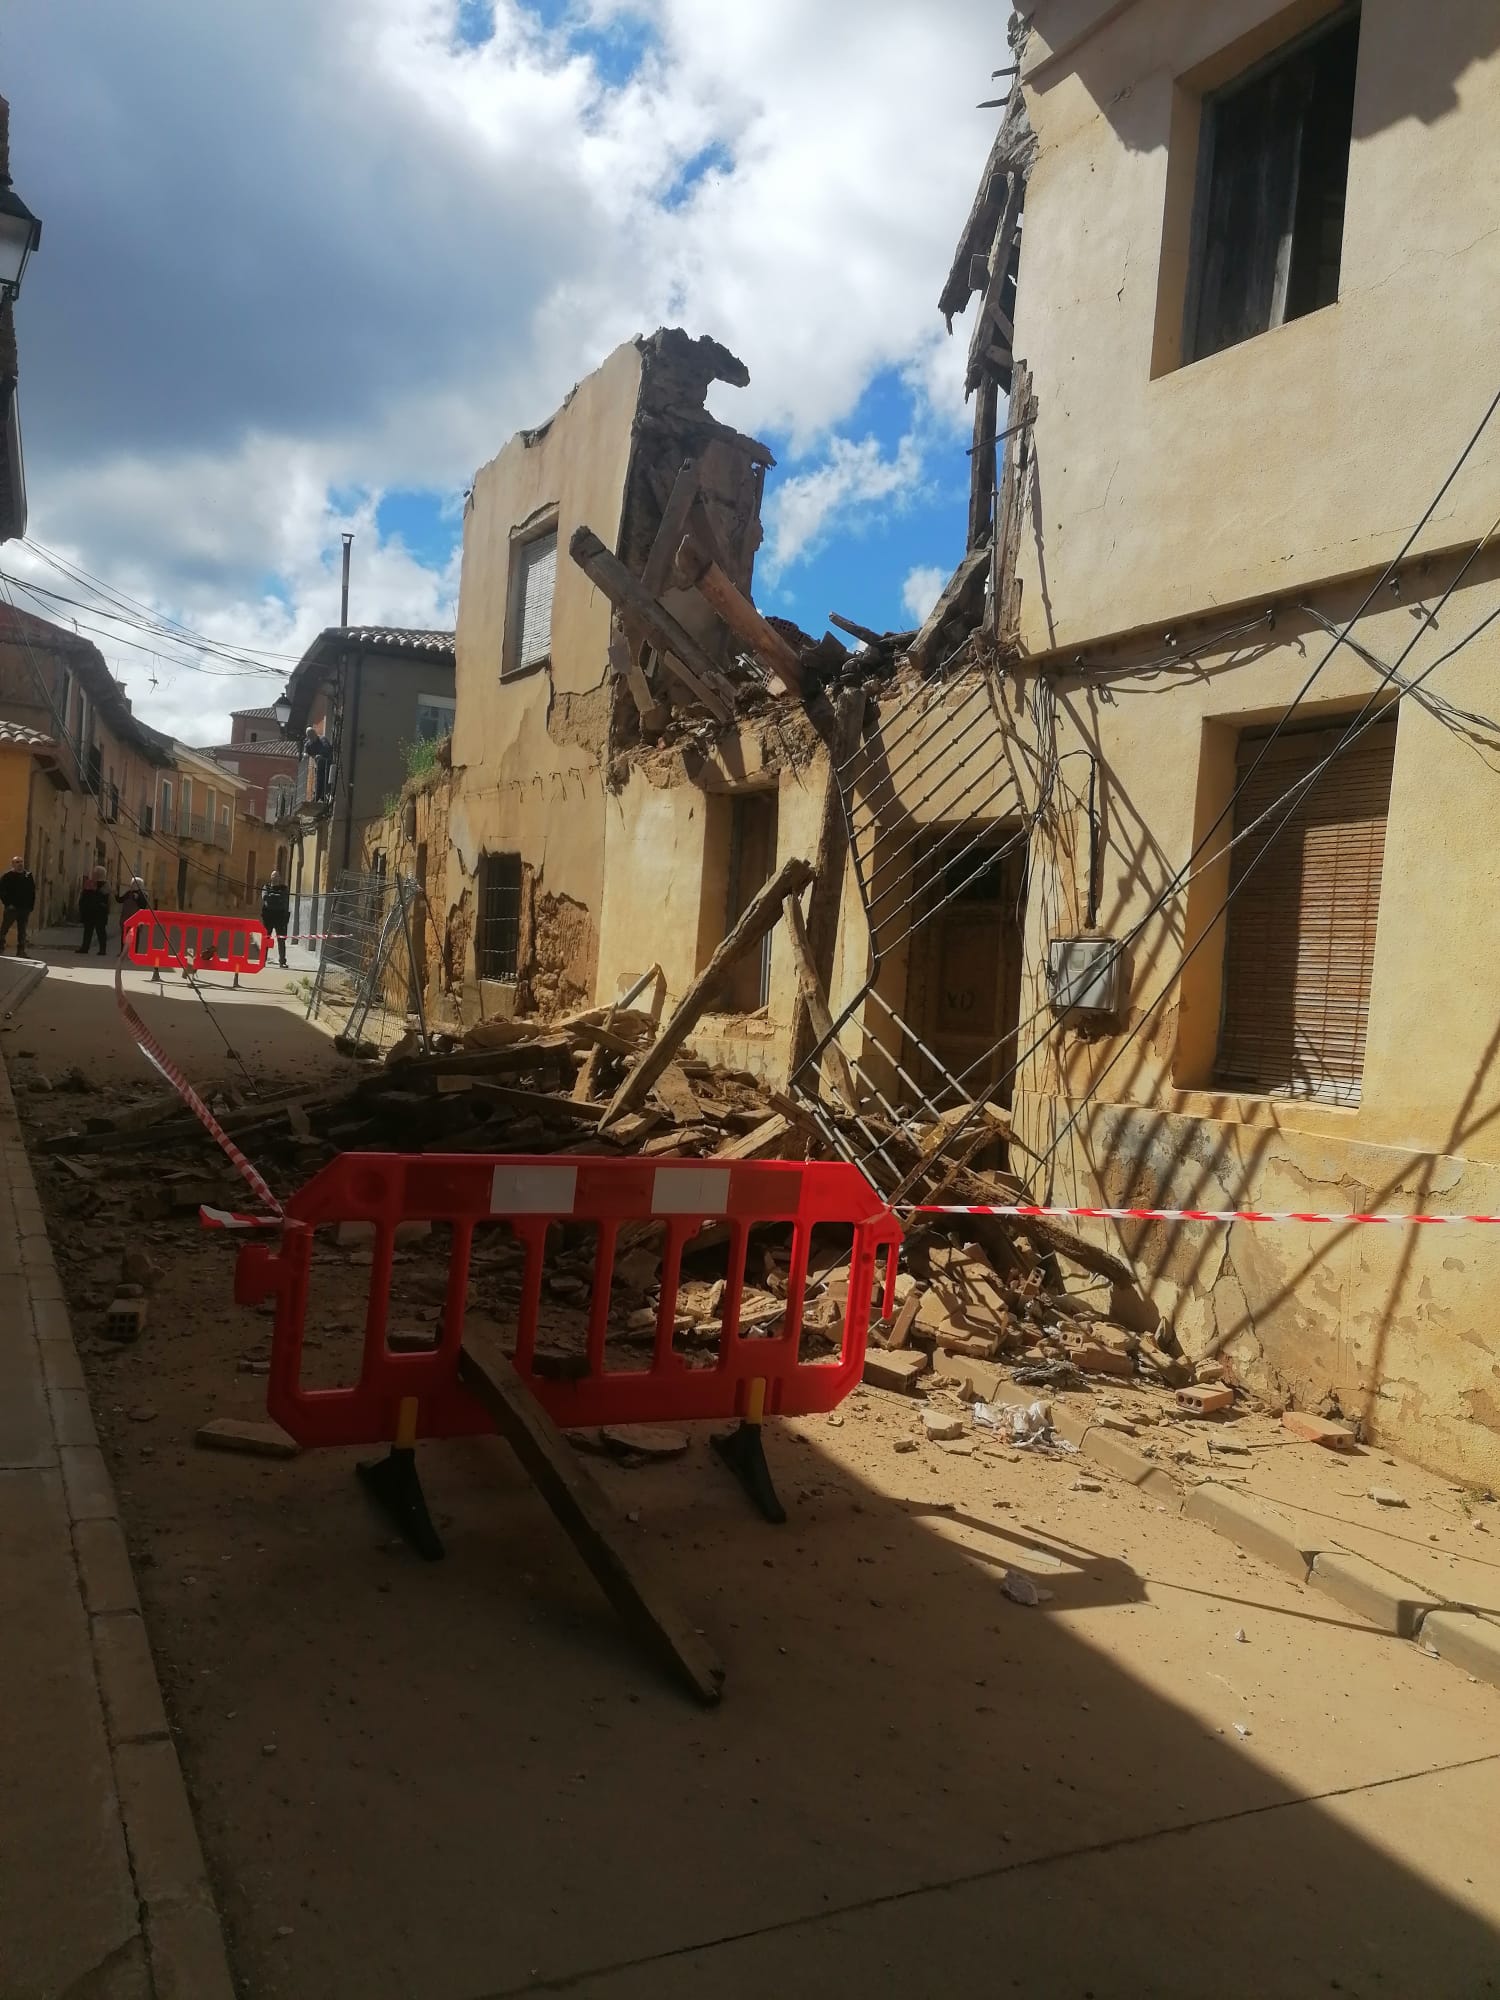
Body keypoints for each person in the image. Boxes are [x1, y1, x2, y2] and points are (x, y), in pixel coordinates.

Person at [0, 853, 36, 955]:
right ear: (13, 864)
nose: (20, 864)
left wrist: (31, 906)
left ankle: (21, 951)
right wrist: (8, 903)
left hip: (25, 908)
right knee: (4, 929)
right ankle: (0, 947)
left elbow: (32, 891)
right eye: (17, 862)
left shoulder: (28, 876)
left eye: (21, 862)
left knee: (22, 931)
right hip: (12, 908)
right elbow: (2, 891)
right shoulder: (7, 876)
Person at [261, 869, 291, 968]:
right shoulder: (266, 887)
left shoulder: (284, 888)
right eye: (274, 876)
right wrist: (277, 897)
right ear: (271, 877)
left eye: (277, 876)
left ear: (280, 878)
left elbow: (283, 900)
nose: (275, 878)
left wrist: (272, 897)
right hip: (268, 917)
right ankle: (262, 960)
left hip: (280, 917)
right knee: (266, 938)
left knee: (281, 940)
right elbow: (265, 898)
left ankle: (282, 961)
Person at [77, 870, 110, 956]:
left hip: (99, 912)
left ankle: (102, 949)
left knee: (100, 931)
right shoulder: (90, 883)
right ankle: (85, 947)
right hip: (90, 912)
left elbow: (105, 899)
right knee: (89, 930)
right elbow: (84, 897)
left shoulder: (105, 885)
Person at [117, 875, 150, 956]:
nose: (132, 885)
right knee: (124, 935)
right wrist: (116, 893)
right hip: (126, 918)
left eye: (134, 884)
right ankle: (123, 952)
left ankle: (133, 953)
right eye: (132, 883)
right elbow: (120, 900)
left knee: (134, 936)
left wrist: (138, 898)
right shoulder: (129, 893)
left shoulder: (143, 894)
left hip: (136, 919)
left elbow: (143, 905)